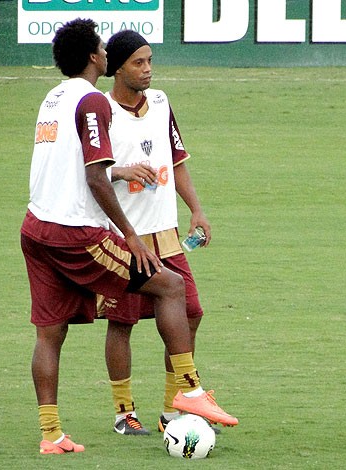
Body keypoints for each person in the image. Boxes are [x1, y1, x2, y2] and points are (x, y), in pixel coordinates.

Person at [20, 18, 237, 455]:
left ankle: (51, 435)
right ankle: (187, 390)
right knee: (169, 287)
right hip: (76, 232)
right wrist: (131, 237)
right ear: (97, 59)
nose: (106, 51)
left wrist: (192, 208)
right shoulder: (94, 102)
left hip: (35, 226)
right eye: (103, 48)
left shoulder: (53, 97)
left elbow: (69, 163)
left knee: (49, 333)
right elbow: (96, 178)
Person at [98, 30, 214, 436]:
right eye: (138, 63)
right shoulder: (101, 111)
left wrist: (196, 209)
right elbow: (87, 170)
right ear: (117, 67)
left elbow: (176, 159)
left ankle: (174, 409)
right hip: (121, 236)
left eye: (150, 61)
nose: (147, 70)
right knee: (122, 323)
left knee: (192, 313)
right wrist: (120, 171)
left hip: (165, 233)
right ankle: (124, 412)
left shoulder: (162, 103)